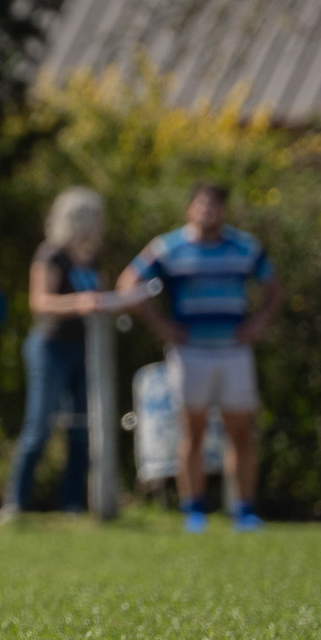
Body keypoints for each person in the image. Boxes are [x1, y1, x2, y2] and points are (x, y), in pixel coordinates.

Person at [118, 182, 282, 533]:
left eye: (216, 205)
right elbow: (127, 284)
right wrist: (160, 326)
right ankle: (194, 512)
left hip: (234, 351)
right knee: (193, 431)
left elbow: (274, 288)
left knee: (241, 431)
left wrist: (259, 324)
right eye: (202, 204)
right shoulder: (168, 248)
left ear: (224, 210)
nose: (209, 211)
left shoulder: (244, 247)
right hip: (190, 352)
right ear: (189, 208)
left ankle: (244, 511)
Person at [0, 187, 106, 521]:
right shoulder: (51, 255)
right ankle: (15, 503)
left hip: (86, 350)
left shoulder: (91, 260)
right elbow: (39, 302)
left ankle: (72, 504)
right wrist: (80, 303)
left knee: (82, 429)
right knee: (38, 427)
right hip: (50, 348)